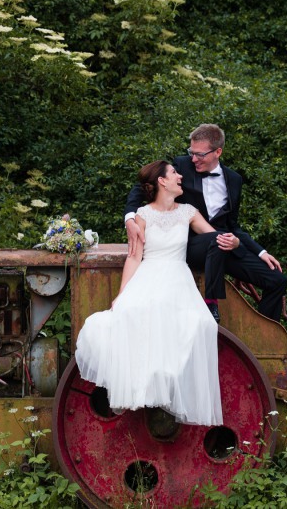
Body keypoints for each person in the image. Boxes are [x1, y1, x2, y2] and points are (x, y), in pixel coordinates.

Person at [75, 161, 224, 425]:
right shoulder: (142, 215)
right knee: (133, 313)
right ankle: (146, 389)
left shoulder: (189, 212)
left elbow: (214, 237)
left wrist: (234, 243)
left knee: (198, 324)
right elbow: (134, 257)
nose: (180, 176)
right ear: (162, 182)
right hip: (149, 275)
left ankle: (168, 386)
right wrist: (122, 295)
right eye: (174, 173)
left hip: (178, 278)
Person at [124, 124, 287, 322]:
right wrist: (130, 218)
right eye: (191, 152)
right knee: (215, 240)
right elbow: (142, 186)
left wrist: (260, 252)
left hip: (224, 245)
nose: (194, 159)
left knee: (277, 279)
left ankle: (265, 335)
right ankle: (212, 305)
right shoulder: (181, 167)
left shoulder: (234, 180)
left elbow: (232, 225)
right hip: (193, 245)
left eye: (200, 155)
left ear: (218, 151)